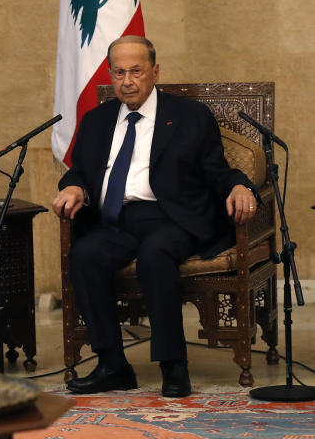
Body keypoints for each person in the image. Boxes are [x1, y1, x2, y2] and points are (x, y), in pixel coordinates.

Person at [52, 36, 257, 397]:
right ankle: (113, 364)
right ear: (111, 75)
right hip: (115, 219)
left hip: (172, 218)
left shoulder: (189, 116)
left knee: (156, 254)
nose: (127, 81)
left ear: (154, 72)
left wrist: (240, 186)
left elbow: (217, 170)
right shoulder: (97, 120)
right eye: (118, 72)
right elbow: (79, 171)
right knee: (85, 255)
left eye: (135, 71)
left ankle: (173, 365)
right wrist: (74, 187)